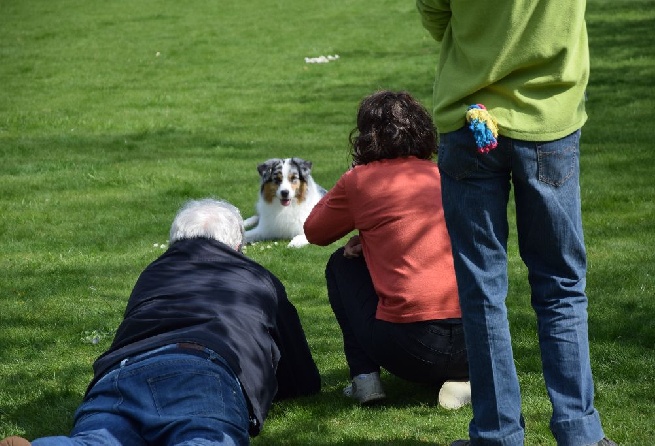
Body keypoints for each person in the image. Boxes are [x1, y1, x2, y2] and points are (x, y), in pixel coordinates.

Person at [415, 1, 616, 445]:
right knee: (560, 284)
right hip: (549, 119)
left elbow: (433, 13)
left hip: (469, 115)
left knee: (482, 289)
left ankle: (497, 434)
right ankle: (579, 432)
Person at [1, 198, 320, 446]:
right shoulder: (258, 278)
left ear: (174, 242)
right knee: (202, 436)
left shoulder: (153, 272)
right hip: (204, 366)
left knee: (101, 438)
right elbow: (299, 374)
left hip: (122, 369)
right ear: (239, 247)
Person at [303, 90, 470, 408]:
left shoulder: (361, 180)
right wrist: (370, 238)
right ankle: (461, 380)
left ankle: (365, 379)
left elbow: (315, 231)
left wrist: (354, 179)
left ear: (365, 136)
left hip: (410, 349)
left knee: (341, 263)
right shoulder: (444, 174)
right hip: (475, 341)